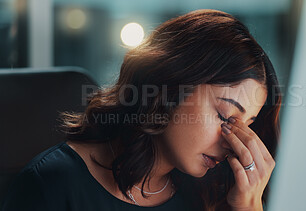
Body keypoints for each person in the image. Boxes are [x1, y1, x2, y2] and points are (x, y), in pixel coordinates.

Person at [1, 9, 281, 211]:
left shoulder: (212, 193)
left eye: (249, 124)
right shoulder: (51, 186)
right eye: (224, 116)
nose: (233, 142)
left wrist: (248, 207)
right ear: (169, 86)